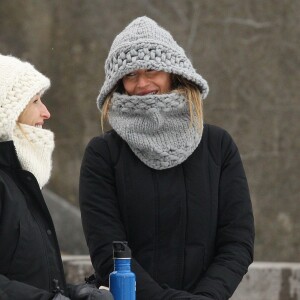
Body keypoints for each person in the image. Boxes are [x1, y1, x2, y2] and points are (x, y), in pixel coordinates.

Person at [79, 16, 255, 300]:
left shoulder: (218, 146)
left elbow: (237, 242)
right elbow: (107, 250)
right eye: (131, 74)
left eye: (152, 70)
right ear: (119, 83)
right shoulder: (103, 154)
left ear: (173, 72)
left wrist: (208, 296)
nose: (142, 83)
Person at [0, 54, 113, 300]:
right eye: (35, 101)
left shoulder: (21, 183)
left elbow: (25, 276)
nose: (46, 112)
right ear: (7, 111)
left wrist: (75, 293)